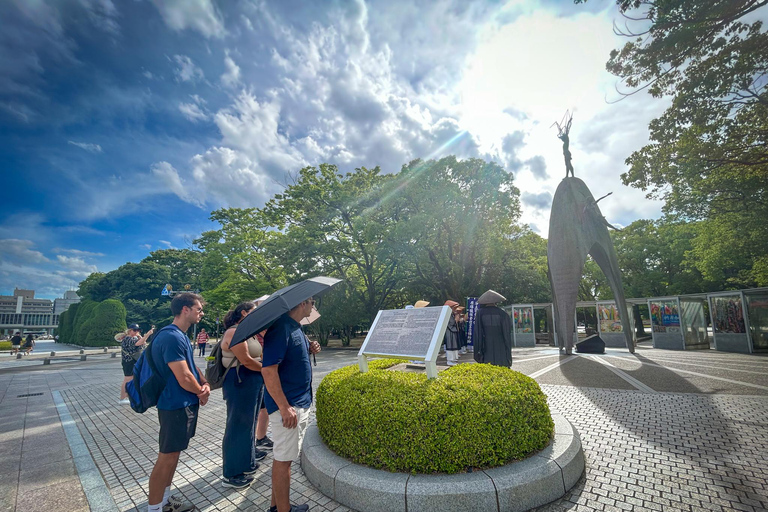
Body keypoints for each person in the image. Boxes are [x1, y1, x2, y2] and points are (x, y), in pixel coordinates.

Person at [147, 293, 209, 512]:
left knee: (174, 454)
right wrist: (201, 391)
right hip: (173, 404)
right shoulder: (171, 337)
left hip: (182, 404)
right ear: (185, 309)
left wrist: (203, 383)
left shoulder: (180, 335)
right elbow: (183, 377)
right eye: (199, 309)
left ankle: (165, 500)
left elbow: (191, 368)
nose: (201, 313)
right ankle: (154, 508)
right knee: (166, 456)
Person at [262, 297, 322, 512]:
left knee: (283, 457)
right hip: (289, 406)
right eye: (311, 302)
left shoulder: (295, 327)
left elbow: (291, 357)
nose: (313, 307)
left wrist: (310, 348)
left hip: (297, 401)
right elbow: (268, 370)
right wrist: (284, 407)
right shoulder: (280, 329)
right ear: (302, 303)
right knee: (284, 460)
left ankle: (276, 506)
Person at [218, 302, 267, 488]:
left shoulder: (249, 331)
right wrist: (267, 370)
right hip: (239, 380)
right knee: (237, 425)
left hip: (252, 380)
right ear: (244, 313)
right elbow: (246, 360)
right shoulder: (233, 332)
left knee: (249, 423)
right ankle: (231, 474)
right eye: (255, 311)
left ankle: (246, 463)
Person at [473, 290, 513, 367]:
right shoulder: (502, 313)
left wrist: (478, 350)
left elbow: (478, 332)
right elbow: (507, 332)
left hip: (486, 344)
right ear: (496, 302)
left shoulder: (480, 313)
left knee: (488, 366)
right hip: (500, 344)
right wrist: (508, 353)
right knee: (501, 365)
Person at [119, 324, 155, 405]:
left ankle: (127, 396)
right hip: (128, 362)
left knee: (131, 379)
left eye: (138, 330)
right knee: (127, 379)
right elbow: (138, 343)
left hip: (133, 361)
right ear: (129, 330)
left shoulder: (134, 338)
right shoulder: (127, 338)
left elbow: (143, 344)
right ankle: (122, 398)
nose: (136, 332)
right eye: (134, 330)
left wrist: (140, 336)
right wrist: (148, 334)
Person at [443, 300, 462, 366]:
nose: (455, 309)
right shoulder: (447, 315)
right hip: (449, 333)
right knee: (450, 346)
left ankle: (454, 359)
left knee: (454, 346)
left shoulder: (452, 314)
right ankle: (450, 360)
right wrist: (456, 320)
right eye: (454, 308)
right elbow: (451, 323)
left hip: (453, 332)